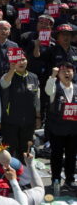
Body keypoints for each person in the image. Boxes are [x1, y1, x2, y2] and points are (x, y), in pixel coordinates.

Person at [0, 55, 41, 161]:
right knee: (9, 151)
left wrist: (38, 117)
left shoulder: (34, 77)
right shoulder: (8, 75)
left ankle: (24, 174)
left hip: (28, 121)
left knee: (25, 150)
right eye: (18, 60)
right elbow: (3, 84)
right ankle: (8, 175)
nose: (21, 62)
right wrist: (12, 69)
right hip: (10, 121)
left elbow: (37, 99)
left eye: (23, 59)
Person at [44, 62, 77, 196]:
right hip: (56, 129)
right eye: (63, 71)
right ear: (58, 74)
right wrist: (52, 75)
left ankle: (70, 180)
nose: (67, 73)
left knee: (71, 156)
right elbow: (47, 90)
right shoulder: (54, 87)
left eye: (69, 71)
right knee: (56, 156)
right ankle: (55, 179)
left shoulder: (76, 87)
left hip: (73, 130)